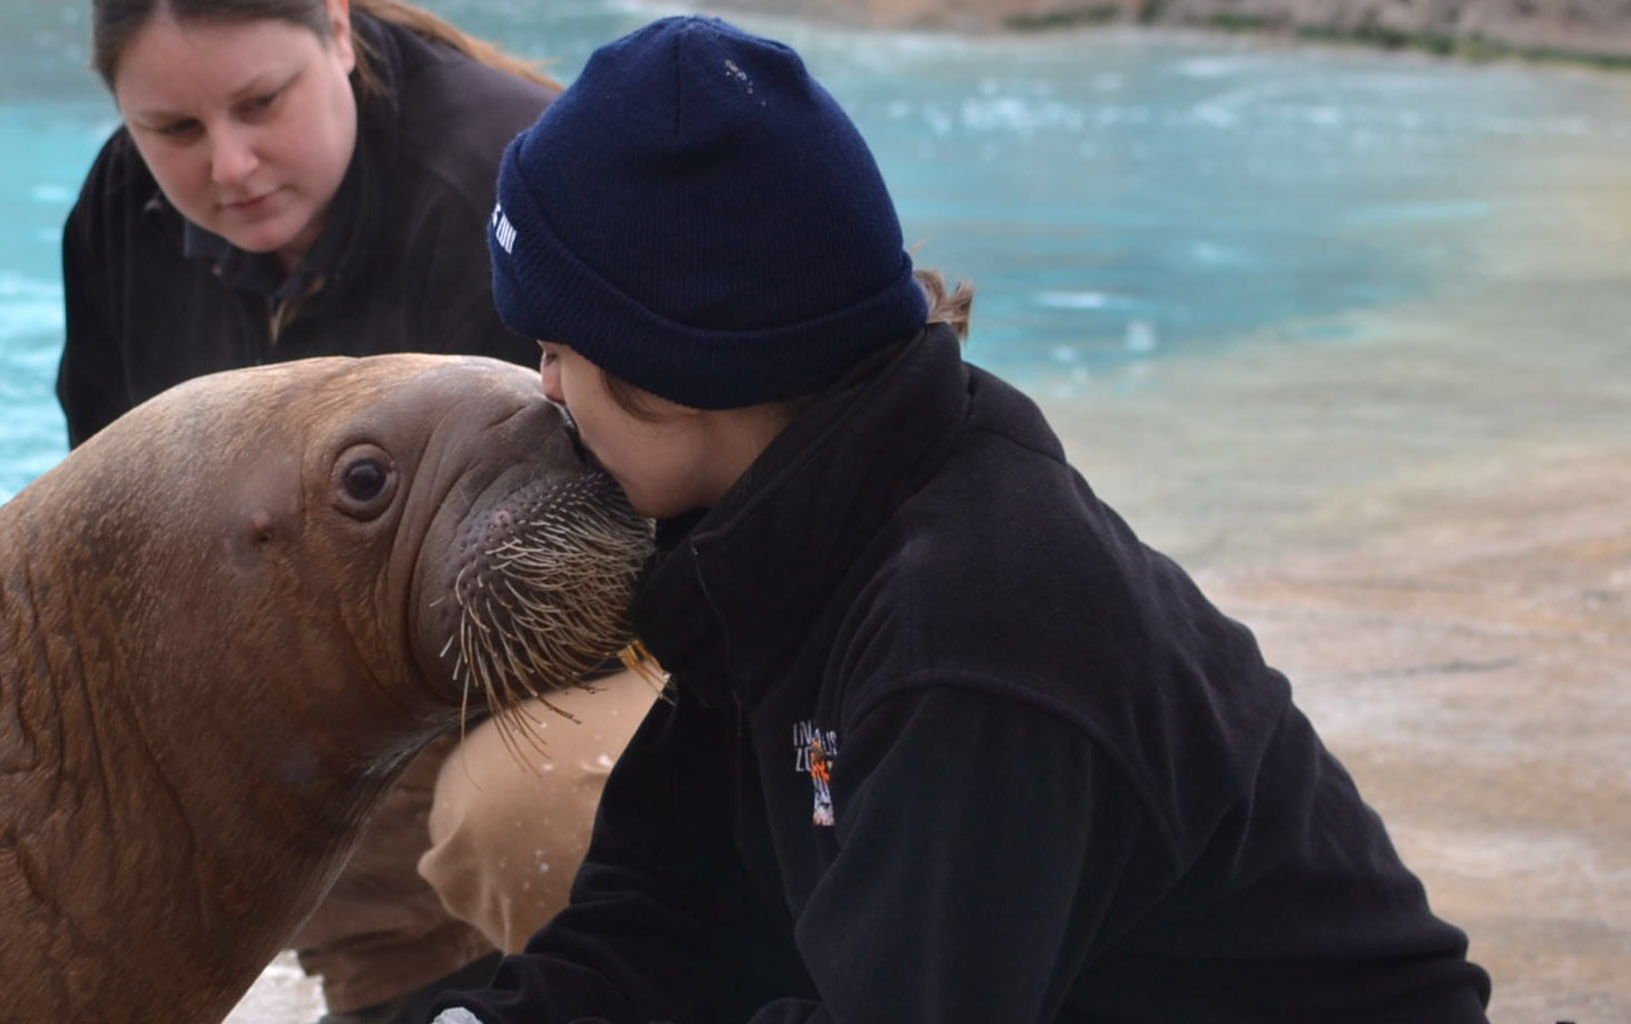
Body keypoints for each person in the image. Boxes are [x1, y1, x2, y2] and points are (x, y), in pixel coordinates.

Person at [438, 16, 1494, 1023]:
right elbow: (665, 922)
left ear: (682, 370)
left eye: (559, 349)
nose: (546, 392)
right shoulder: (770, 540)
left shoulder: (972, 630)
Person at [56, 2, 659, 1022]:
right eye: (175, 131)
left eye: (262, 103)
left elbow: (649, 512)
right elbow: (103, 520)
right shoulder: (123, 211)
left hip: (625, 618)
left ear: (337, 32)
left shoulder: (503, 184)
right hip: (375, 618)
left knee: (497, 811)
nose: (232, 166)